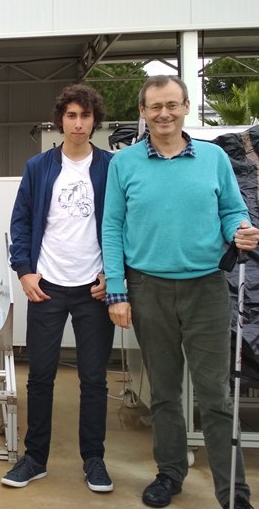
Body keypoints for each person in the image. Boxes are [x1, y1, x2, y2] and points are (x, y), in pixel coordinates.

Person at [102, 74, 259, 509]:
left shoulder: (213, 158)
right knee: (165, 393)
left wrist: (241, 229)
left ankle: (233, 492)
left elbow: (232, 210)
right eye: (155, 106)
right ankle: (170, 474)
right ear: (142, 112)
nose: (164, 114)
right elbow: (112, 227)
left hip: (207, 287)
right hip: (147, 288)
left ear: (186, 107)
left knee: (216, 396)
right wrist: (116, 291)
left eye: (172, 104)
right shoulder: (124, 164)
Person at [4, 83, 115, 493]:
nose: (78, 123)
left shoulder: (111, 167)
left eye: (85, 116)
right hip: (47, 286)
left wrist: (113, 275)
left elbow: (122, 224)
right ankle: (35, 459)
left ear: (94, 120)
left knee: (94, 380)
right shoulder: (39, 166)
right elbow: (21, 220)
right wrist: (24, 270)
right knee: (40, 377)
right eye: (71, 115)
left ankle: (94, 460)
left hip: (94, 289)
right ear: (60, 120)